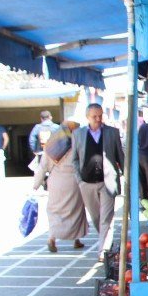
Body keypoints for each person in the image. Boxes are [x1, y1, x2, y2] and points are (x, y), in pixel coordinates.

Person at [72, 103, 124, 256]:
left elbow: (120, 156)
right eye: (94, 116)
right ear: (87, 117)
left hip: (108, 181)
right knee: (96, 217)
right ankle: (106, 240)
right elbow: (74, 159)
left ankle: (103, 250)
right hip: (86, 182)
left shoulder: (112, 133)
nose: (98, 119)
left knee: (106, 218)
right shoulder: (77, 134)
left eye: (100, 115)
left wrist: (127, 175)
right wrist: (79, 179)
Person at [33, 121, 88, 253]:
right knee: (76, 211)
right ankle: (76, 240)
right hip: (74, 183)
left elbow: (42, 167)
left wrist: (35, 185)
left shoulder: (51, 145)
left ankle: (51, 238)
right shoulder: (79, 144)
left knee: (55, 211)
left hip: (56, 183)